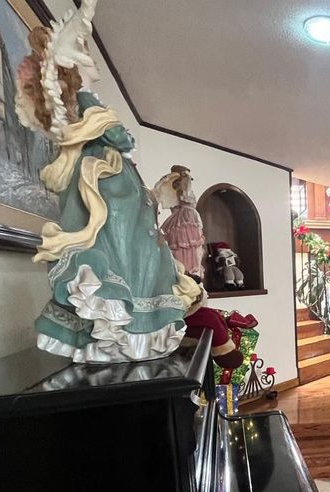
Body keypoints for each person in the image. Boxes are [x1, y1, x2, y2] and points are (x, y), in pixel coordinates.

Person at [15, 0, 199, 362]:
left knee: (136, 252)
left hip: (113, 181)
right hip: (106, 182)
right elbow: (118, 137)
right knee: (120, 248)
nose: (90, 58)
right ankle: (125, 334)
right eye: (83, 51)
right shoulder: (87, 107)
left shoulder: (90, 111)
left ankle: (131, 333)